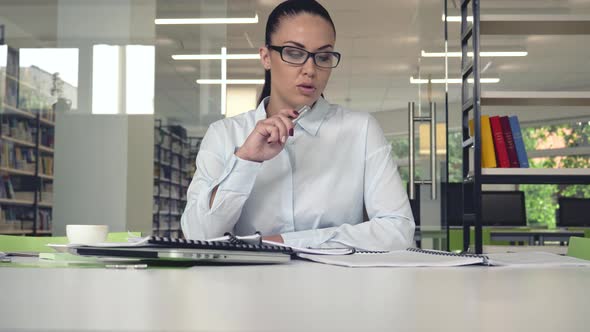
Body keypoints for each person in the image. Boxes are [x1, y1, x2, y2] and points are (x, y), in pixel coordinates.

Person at [181, 0, 414, 251]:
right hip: (248, 285)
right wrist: (246, 160)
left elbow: (399, 231)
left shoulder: (361, 130)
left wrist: (284, 243)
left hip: (339, 285)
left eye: (323, 56)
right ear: (266, 57)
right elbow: (198, 235)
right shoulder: (225, 134)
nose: (310, 69)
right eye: (294, 53)